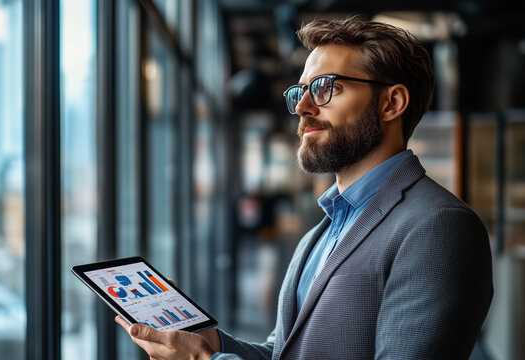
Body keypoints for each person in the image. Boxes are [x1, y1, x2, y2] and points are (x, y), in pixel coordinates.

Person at [115, 15, 493, 359]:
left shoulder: (439, 226)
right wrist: (209, 343)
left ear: (392, 103)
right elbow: (283, 352)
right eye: (300, 92)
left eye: (326, 88)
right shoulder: (321, 231)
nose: (302, 107)